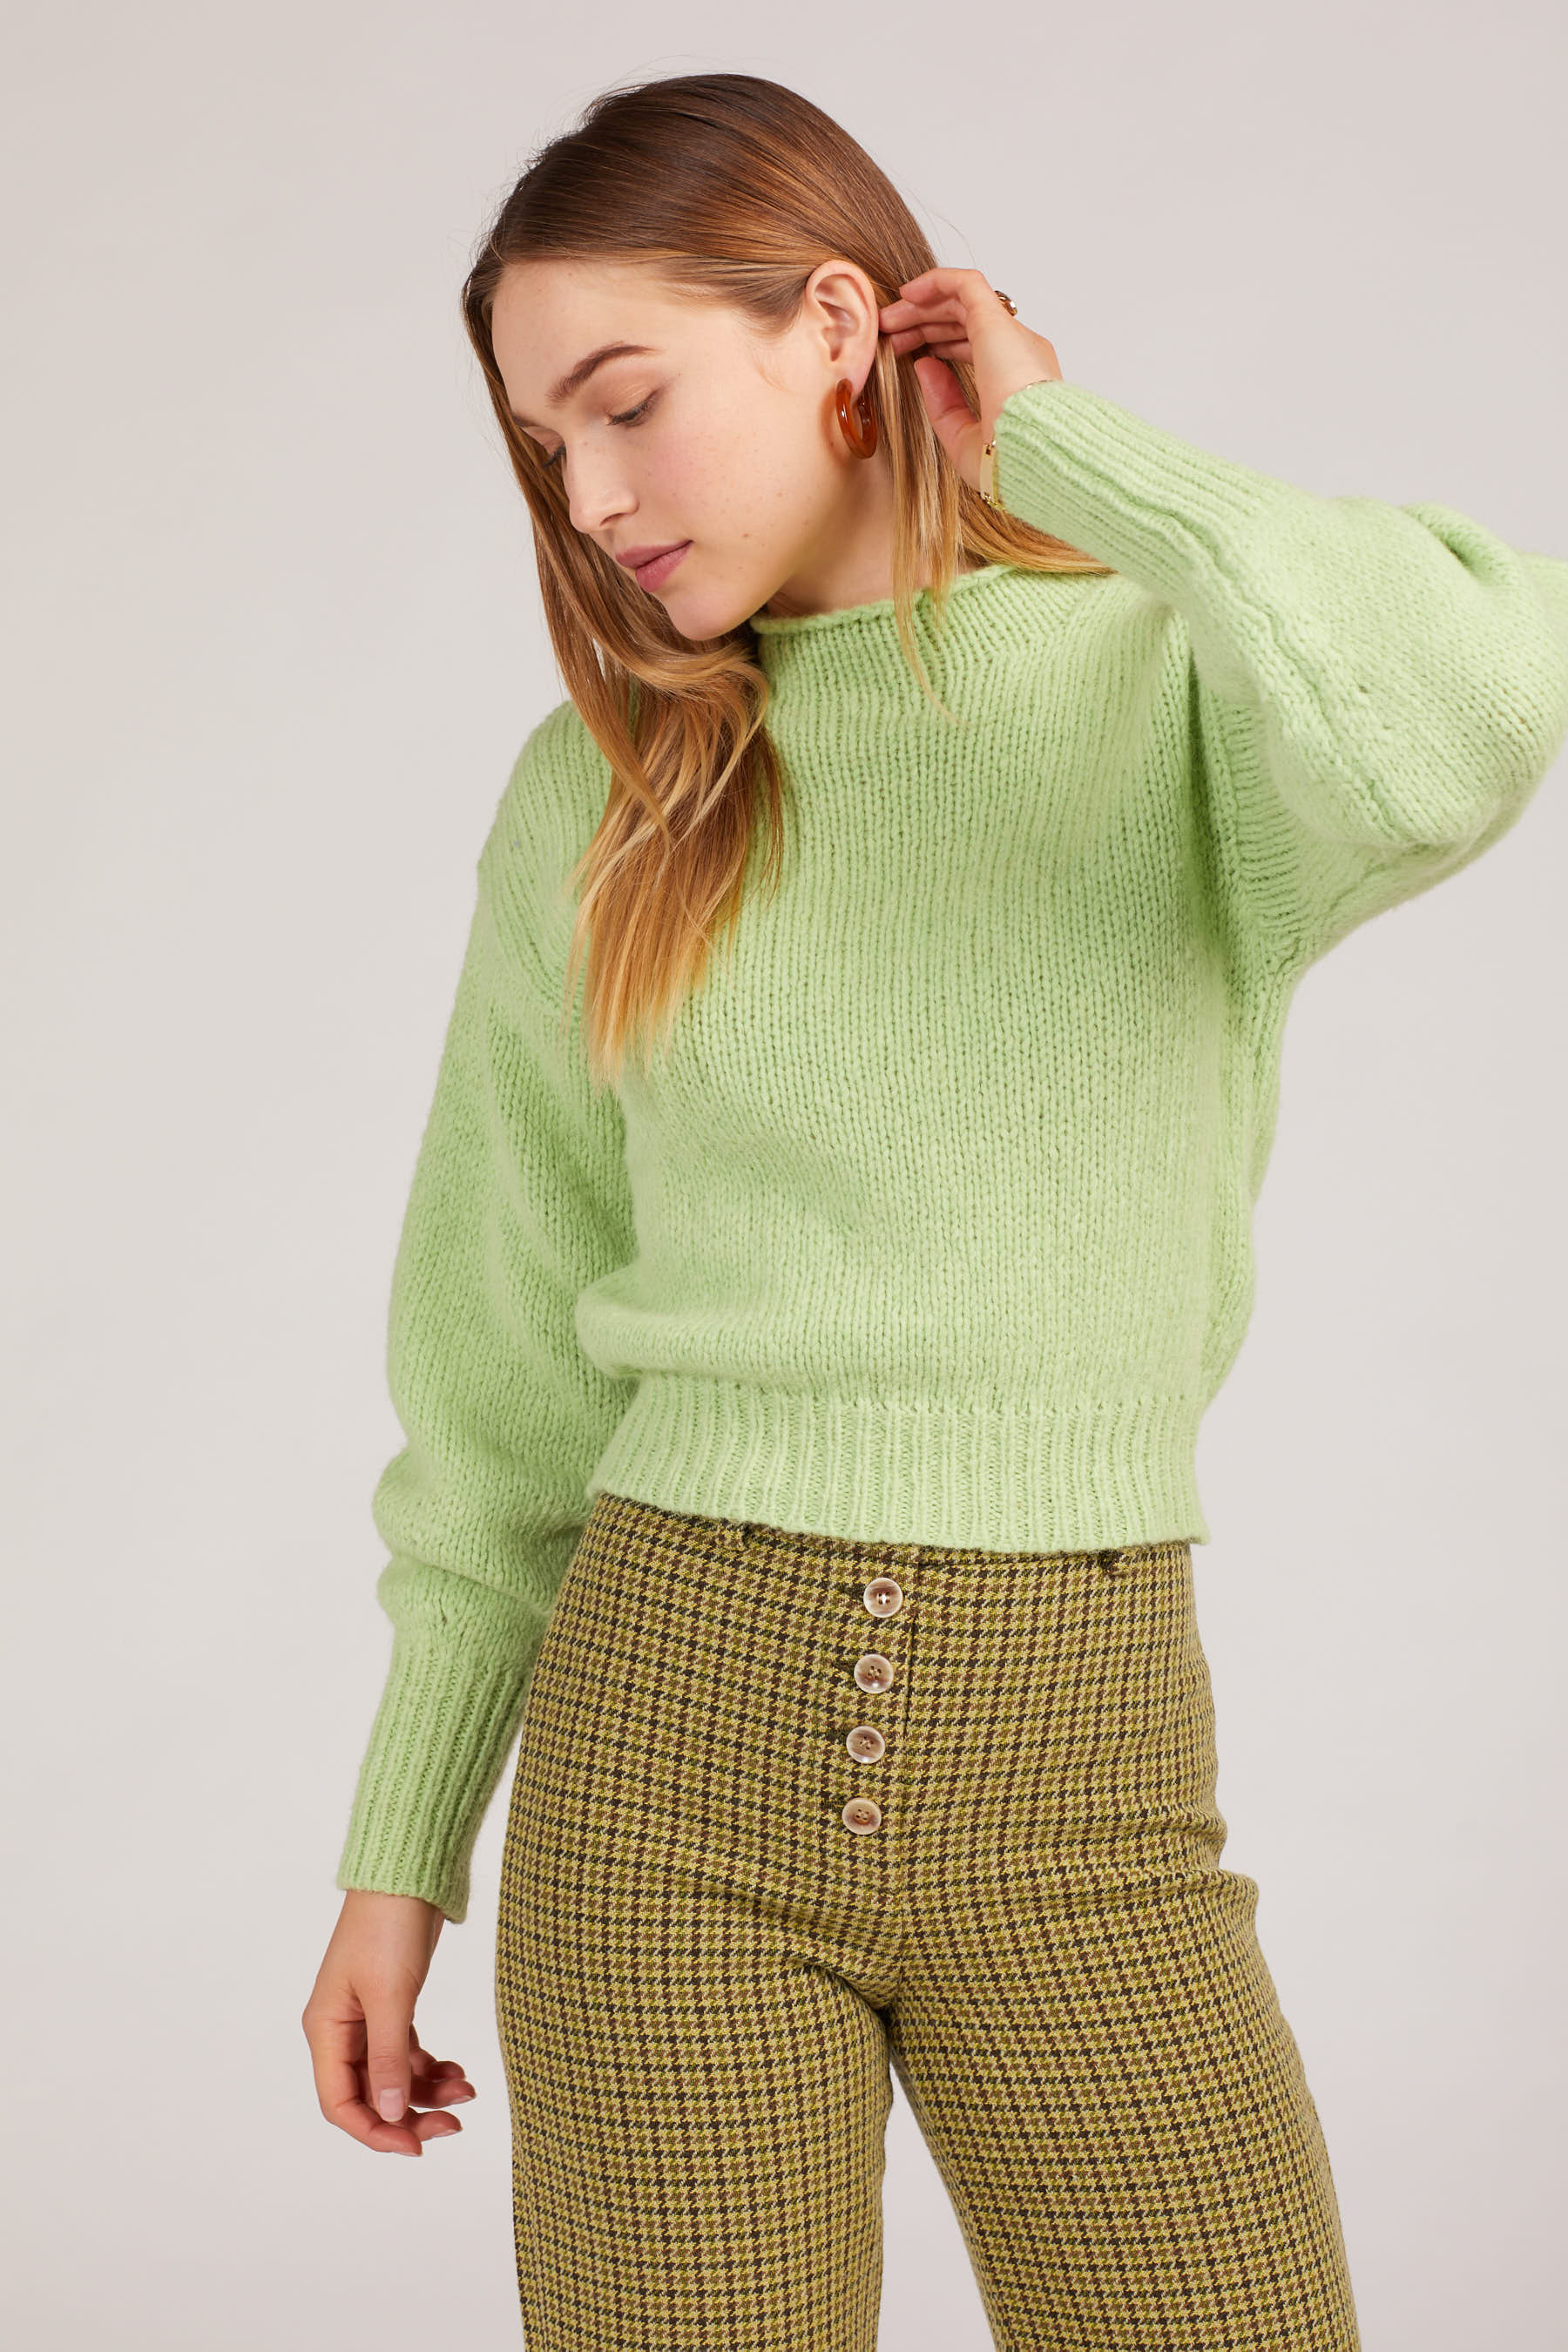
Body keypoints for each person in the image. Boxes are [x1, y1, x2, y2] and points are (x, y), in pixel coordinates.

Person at [301, 69, 1568, 2352]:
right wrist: (403, 1850)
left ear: (835, 325)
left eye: (627, 404)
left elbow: (1474, 704)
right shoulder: (600, 791)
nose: (589, 497)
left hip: (1088, 1783)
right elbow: (498, 1361)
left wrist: (1067, 454)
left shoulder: (1181, 698)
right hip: (652, 1779)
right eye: (543, 444)